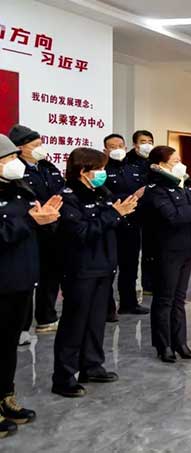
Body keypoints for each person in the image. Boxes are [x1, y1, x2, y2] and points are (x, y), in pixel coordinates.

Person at [52, 148, 137, 398]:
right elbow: (82, 233)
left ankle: (92, 365)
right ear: (83, 171)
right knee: (74, 323)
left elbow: (111, 222)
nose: (103, 173)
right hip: (81, 269)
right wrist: (114, 214)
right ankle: (64, 376)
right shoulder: (68, 197)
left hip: (104, 266)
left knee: (96, 320)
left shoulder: (101, 192)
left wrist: (121, 214)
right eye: (98, 169)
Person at [0, 134, 60, 437]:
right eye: (7, 159)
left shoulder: (20, 188)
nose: (14, 163)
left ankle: (5, 397)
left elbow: (32, 227)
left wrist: (46, 219)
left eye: (14, 157)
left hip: (21, 278)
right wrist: (31, 221)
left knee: (8, 344)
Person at [141, 146, 191, 362]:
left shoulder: (182, 185)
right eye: (174, 161)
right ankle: (163, 345)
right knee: (165, 299)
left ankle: (180, 341)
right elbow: (173, 216)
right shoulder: (156, 189)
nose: (180, 164)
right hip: (166, 250)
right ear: (159, 165)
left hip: (185, 249)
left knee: (179, 299)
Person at [9, 124, 65, 336]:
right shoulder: (14, 170)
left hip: (52, 229)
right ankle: (22, 327)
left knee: (50, 275)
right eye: (35, 145)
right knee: (26, 279)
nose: (41, 148)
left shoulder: (47, 167)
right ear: (20, 147)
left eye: (41, 143)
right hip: (29, 229)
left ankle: (46, 318)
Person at [103, 133, 148, 322]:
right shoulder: (102, 170)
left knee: (130, 265)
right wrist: (131, 197)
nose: (117, 149)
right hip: (111, 224)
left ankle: (128, 303)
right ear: (106, 150)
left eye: (120, 145)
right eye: (112, 147)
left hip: (133, 223)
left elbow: (144, 191)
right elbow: (104, 195)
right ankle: (107, 308)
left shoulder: (134, 168)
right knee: (109, 267)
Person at [127, 130, 154, 295]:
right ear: (135, 144)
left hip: (152, 211)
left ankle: (149, 285)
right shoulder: (126, 161)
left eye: (150, 142)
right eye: (143, 142)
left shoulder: (154, 161)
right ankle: (131, 290)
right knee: (133, 252)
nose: (147, 145)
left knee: (151, 250)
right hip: (133, 211)